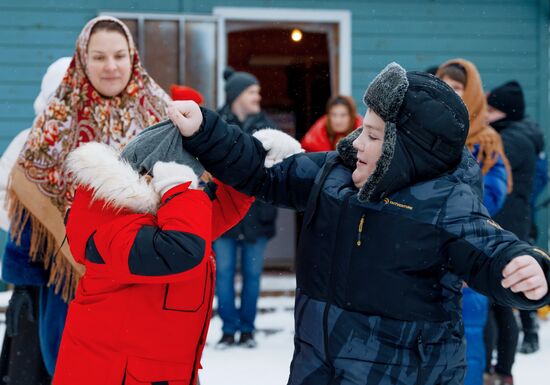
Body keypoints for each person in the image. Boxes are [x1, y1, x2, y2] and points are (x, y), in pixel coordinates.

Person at [169, 62, 550, 385]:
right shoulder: (335, 174)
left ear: (408, 150)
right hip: (317, 368)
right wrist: (206, 130)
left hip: (402, 373)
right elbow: (261, 173)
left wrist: (523, 267)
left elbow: (490, 249)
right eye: (361, 129)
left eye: (372, 135)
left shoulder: (445, 204)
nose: (355, 144)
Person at [4, 16, 171, 378]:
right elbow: (31, 198)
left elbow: (188, 193)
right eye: (98, 57)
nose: (111, 67)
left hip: (147, 281)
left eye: (119, 55)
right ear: (82, 59)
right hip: (75, 289)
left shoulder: (162, 116)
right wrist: (24, 281)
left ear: (133, 57)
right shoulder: (57, 121)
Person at [52, 139, 252, 385]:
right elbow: (183, 250)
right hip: (116, 374)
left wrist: (250, 162)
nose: (198, 187)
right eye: (193, 179)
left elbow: (215, 210)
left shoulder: (162, 219)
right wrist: (180, 190)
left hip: (154, 371)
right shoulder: (112, 230)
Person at [437, 59, 509, 385]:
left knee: (469, 334)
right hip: (424, 252)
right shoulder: (424, 133)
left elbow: (491, 198)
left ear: (472, 94)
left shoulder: (486, 140)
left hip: (470, 248)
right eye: (443, 86)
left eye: (456, 88)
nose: (448, 94)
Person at [0, 57, 71, 385]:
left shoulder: (98, 139)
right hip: (32, 271)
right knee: (31, 366)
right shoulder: (28, 141)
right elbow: (3, 190)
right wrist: (31, 224)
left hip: (79, 276)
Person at [214, 67, 280, 349]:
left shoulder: (268, 128)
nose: (258, 97)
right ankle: (229, 330)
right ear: (237, 95)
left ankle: (248, 330)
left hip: (257, 214)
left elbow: (277, 169)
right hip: (222, 213)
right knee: (224, 273)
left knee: (252, 275)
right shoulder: (215, 124)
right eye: (253, 92)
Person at [486, 81, 545, 365]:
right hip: (511, 220)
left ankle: (504, 363)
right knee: (504, 297)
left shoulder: (512, 140)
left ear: (505, 113)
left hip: (506, 225)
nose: (486, 114)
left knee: (503, 300)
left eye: (492, 110)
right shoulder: (516, 134)